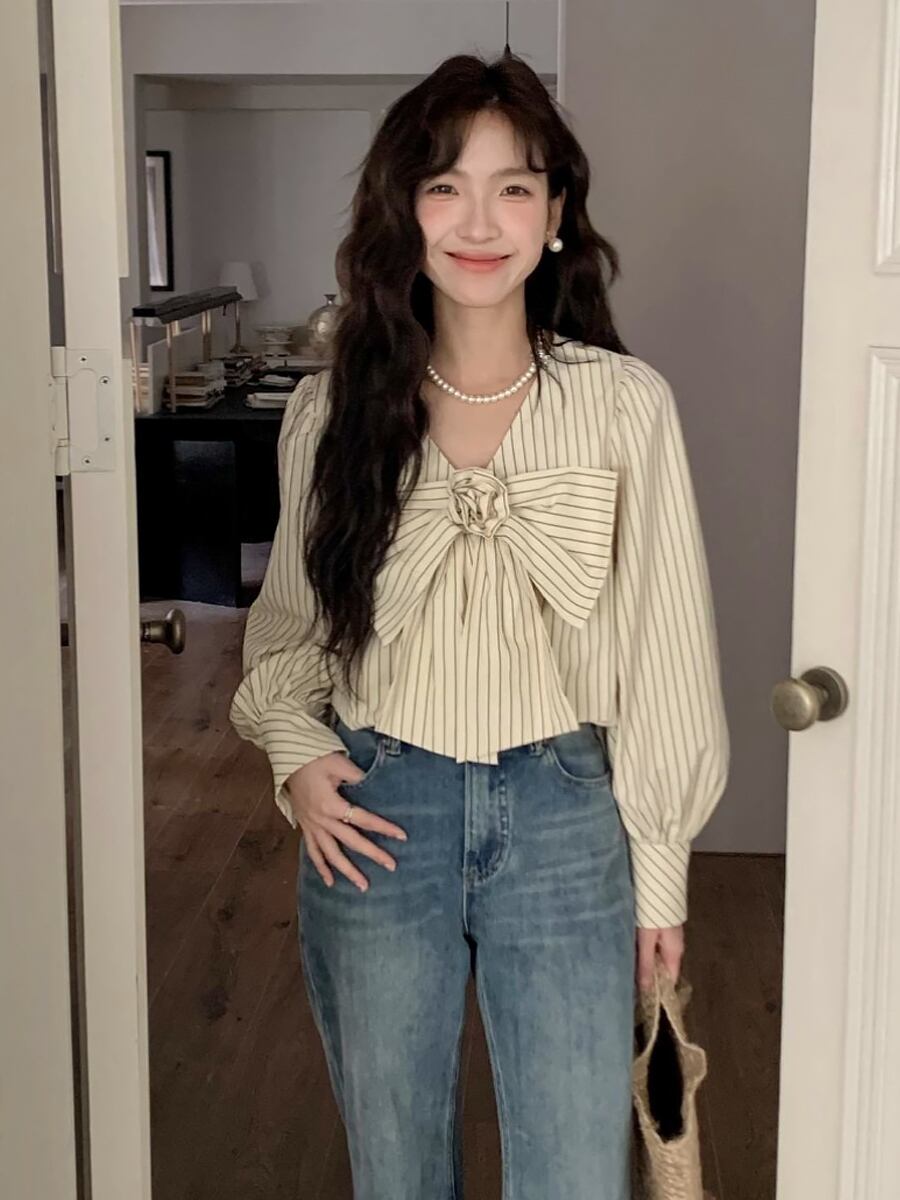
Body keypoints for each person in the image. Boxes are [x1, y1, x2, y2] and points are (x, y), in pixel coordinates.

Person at [229, 50, 729, 1200]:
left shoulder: (624, 406)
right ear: (403, 212)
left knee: (576, 1174)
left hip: (566, 815)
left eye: (514, 187)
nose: (479, 220)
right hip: (375, 810)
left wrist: (661, 876)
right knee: (396, 1167)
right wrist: (297, 754)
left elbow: (665, 652)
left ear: (555, 217)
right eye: (445, 185)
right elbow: (289, 631)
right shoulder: (328, 411)